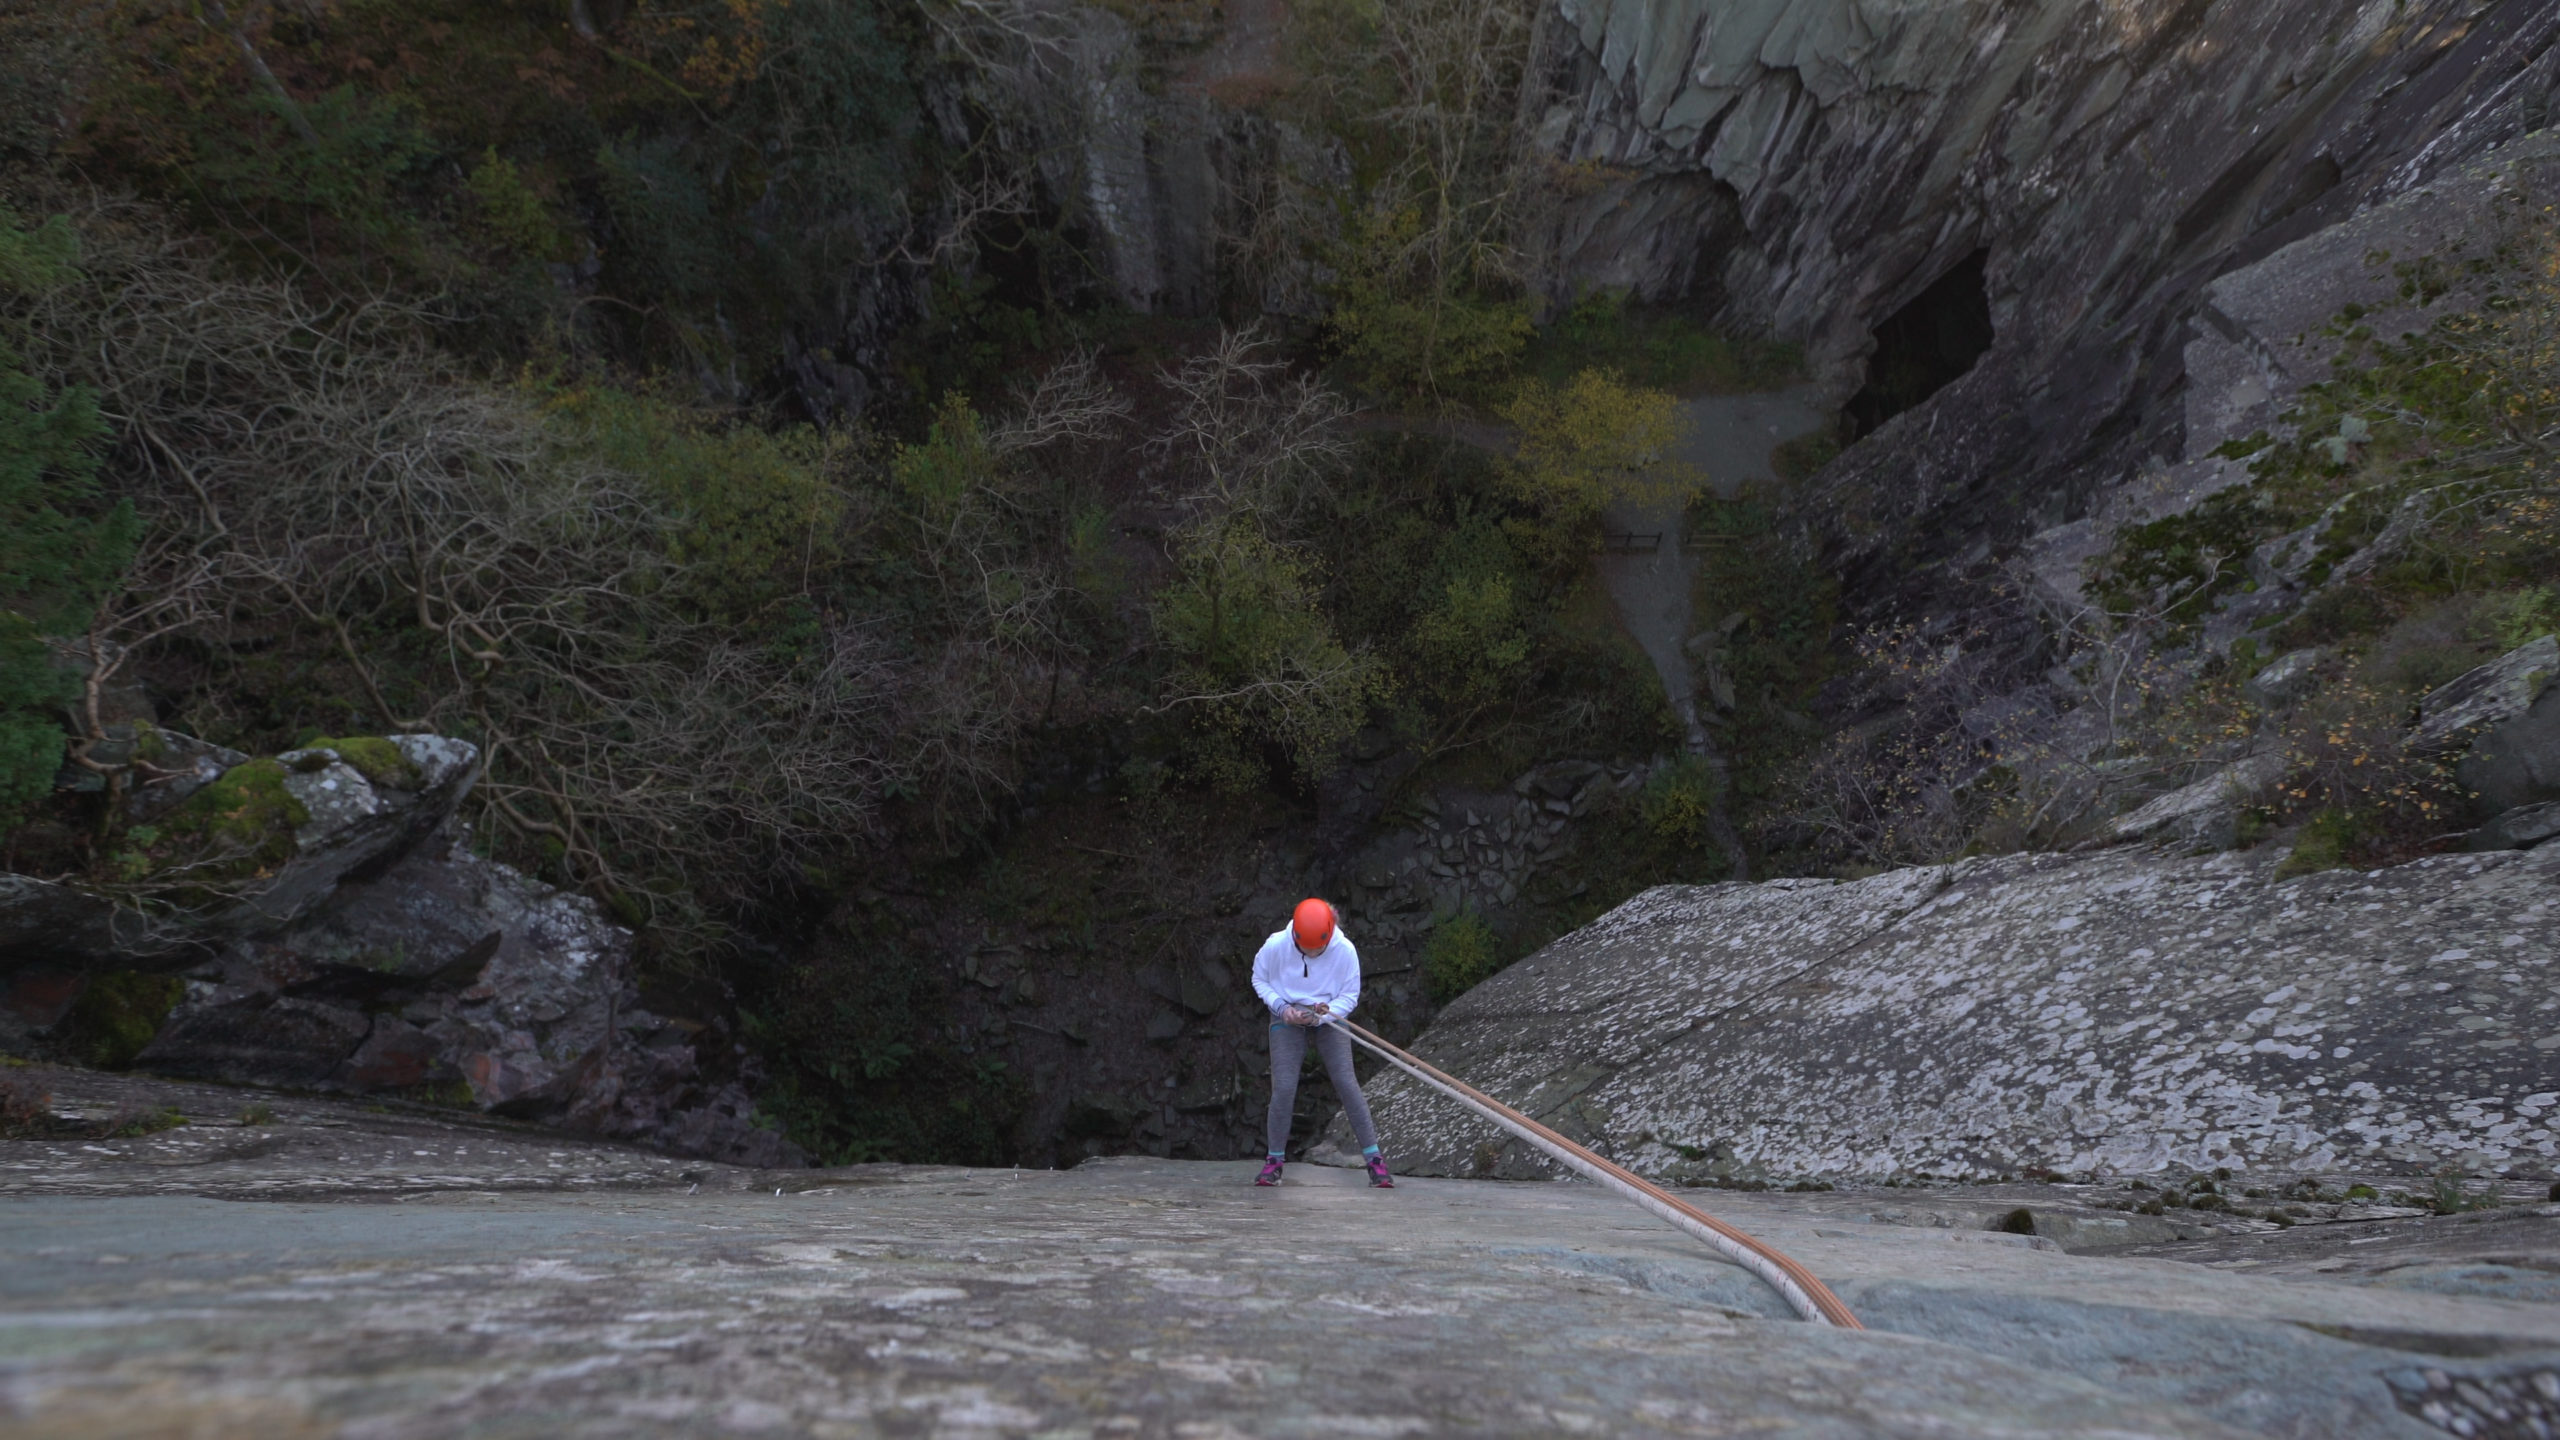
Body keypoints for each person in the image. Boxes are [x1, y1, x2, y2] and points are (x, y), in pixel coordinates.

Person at [1250, 897, 1392, 1188]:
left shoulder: (1345, 950)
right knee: (1285, 1086)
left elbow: (1349, 995)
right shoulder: (1276, 945)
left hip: (1328, 1016)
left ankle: (1375, 1161)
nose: (1312, 953)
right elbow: (1259, 978)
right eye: (1305, 949)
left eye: (1318, 949)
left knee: (1346, 1082)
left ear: (1330, 934)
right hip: (1287, 1016)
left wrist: (1325, 1017)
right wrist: (1281, 1007)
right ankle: (1273, 1162)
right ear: (1295, 937)